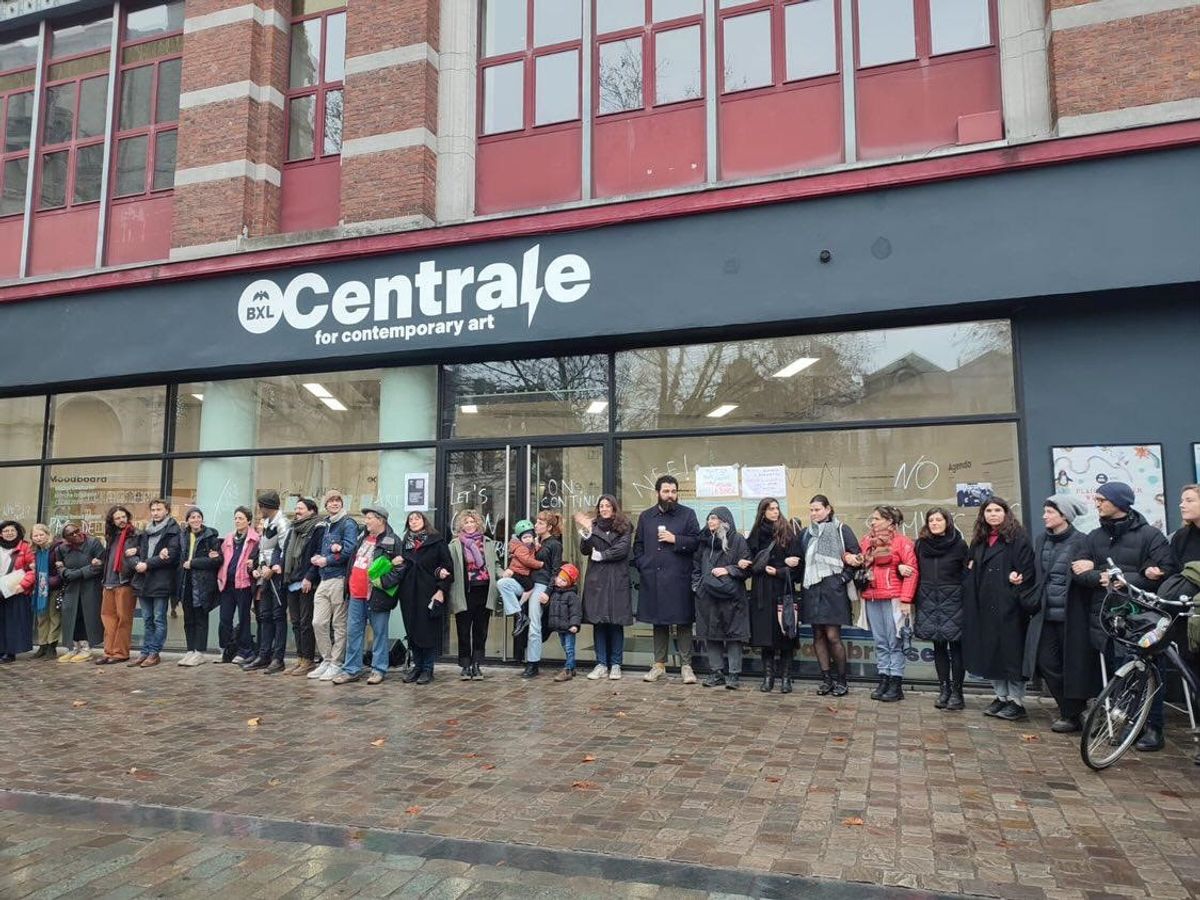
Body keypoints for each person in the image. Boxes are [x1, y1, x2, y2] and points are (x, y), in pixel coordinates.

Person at [1072, 481, 1176, 751]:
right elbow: (1079, 572)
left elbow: (1163, 572)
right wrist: (1103, 576)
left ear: (1119, 502)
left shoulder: (1150, 535)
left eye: (1101, 499)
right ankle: (1119, 722)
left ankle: (1152, 727)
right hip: (1104, 617)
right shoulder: (1093, 536)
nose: (1097, 503)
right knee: (1115, 674)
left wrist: (1126, 579)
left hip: (1141, 617)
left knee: (1147, 671)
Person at [1026, 494, 1098, 733]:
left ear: (1064, 515)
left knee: (1074, 665)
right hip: (1045, 614)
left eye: (1049, 512)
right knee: (1046, 663)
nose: (1044, 516)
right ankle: (1070, 709)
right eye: (1045, 511)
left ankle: (1071, 714)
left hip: (1072, 616)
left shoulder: (1083, 542)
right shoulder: (1040, 540)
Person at [962, 497, 1037, 721]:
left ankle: (1017, 701)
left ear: (1006, 513)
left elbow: (1027, 571)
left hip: (1010, 607)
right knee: (991, 653)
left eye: (997, 510)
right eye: (988, 510)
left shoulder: (1018, 538)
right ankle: (1001, 697)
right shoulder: (980, 540)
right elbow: (970, 568)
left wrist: (1016, 585)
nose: (992, 514)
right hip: (984, 606)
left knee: (1011, 655)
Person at [631, 475, 700, 685]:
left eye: (673, 491)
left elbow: (697, 541)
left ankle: (686, 666)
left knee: (684, 622)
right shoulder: (646, 516)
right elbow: (638, 545)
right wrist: (644, 564)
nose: (670, 496)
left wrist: (675, 539)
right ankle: (658, 665)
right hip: (654, 578)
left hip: (679, 577)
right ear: (658, 493)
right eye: (666, 491)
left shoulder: (688, 514)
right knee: (658, 623)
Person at [333, 506, 403, 685]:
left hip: (377, 595)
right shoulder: (361, 538)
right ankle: (351, 669)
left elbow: (400, 568)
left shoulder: (392, 541)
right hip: (356, 594)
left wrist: (383, 583)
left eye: (370, 518)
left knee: (379, 633)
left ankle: (378, 669)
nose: (366, 521)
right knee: (354, 632)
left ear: (381, 520)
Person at [799, 495, 858, 697]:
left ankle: (842, 680)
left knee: (833, 636)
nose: (814, 513)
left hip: (833, 589)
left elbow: (856, 556)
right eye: (811, 510)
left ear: (828, 509)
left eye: (817, 509)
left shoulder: (842, 529)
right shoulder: (806, 533)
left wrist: (842, 579)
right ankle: (826, 679)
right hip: (813, 588)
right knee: (817, 635)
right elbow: (801, 561)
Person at [858, 506, 918, 703]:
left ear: (889, 521)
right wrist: (852, 558)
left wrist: (906, 600)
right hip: (872, 595)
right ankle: (883, 678)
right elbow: (859, 562)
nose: (872, 522)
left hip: (893, 597)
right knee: (880, 641)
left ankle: (896, 682)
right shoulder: (867, 541)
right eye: (872, 518)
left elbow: (912, 572)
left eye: (877, 518)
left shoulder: (903, 543)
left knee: (895, 642)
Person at [913, 508, 970, 711]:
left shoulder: (959, 544)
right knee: (938, 646)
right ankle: (943, 689)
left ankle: (957, 692)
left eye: (939, 519)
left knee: (956, 647)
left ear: (947, 522)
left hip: (953, 599)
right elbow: (915, 571)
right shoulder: (920, 545)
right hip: (928, 598)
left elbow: (966, 573)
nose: (935, 523)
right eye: (931, 520)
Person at [746, 498, 803, 694]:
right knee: (765, 636)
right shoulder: (755, 534)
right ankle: (768, 677)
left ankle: (786, 678)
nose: (775, 512)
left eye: (777, 508)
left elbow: (798, 566)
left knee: (785, 633)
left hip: (782, 590)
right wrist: (746, 564)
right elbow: (749, 560)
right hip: (761, 590)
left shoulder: (787, 533)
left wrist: (780, 570)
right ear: (762, 512)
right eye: (770, 509)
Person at [693, 506, 752, 689]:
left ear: (724, 520)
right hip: (707, 596)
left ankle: (733, 675)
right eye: (709, 518)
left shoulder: (737, 540)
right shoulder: (703, 542)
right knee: (712, 635)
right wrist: (696, 586)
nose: (710, 522)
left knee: (733, 636)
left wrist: (728, 570)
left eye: (714, 518)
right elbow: (695, 565)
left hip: (731, 596)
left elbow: (746, 567)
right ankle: (716, 672)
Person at [577, 494, 633, 681]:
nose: (604, 509)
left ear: (614, 508)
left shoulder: (624, 527)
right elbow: (585, 550)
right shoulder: (592, 526)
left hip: (617, 579)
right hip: (598, 580)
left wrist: (602, 555)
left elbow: (623, 549)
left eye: (608, 505)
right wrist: (585, 536)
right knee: (599, 622)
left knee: (616, 623)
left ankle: (616, 664)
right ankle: (601, 663)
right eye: (601, 506)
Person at [308, 490, 359, 682]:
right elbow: (323, 549)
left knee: (339, 623)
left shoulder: (348, 523)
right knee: (318, 622)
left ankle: (336, 663)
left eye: (338, 500)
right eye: (330, 501)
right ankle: (326, 659)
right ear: (325, 505)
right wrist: (317, 559)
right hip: (324, 578)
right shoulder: (326, 524)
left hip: (338, 578)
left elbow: (349, 550)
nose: (334, 503)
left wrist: (326, 560)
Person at [396, 511, 452, 684]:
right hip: (408, 593)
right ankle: (417, 666)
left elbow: (448, 568)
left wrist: (441, 591)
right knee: (412, 629)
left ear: (424, 521)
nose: (413, 522)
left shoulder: (436, 541)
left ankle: (428, 668)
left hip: (429, 592)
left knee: (427, 631)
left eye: (417, 518)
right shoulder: (405, 543)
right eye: (410, 519)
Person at [126, 499, 181, 669]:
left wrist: (147, 564)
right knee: (147, 618)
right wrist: (136, 562)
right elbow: (132, 552)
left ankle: (154, 652)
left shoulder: (173, 530)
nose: (155, 512)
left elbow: (171, 555)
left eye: (159, 509)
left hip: (161, 581)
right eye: (153, 509)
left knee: (158, 619)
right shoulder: (146, 531)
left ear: (167, 511)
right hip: (143, 581)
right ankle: (145, 651)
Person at [275, 497, 323, 676]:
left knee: (306, 622)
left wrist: (310, 577)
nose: (297, 511)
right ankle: (300, 658)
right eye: (296, 508)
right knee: (295, 622)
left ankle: (308, 659)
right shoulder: (293, 529)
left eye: (301, 508)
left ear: (311, 510)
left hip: (306, 582)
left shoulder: (317, 528)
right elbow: (285, 551)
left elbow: (317, 554)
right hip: (291, 580)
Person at [448, 509, 497, 681]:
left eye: (472, 522)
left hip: (484, 590)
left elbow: (494, 564)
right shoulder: (454, 544)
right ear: (461, 525)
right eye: (466, 522)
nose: (469, 525)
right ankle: (465, 664)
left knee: (480, 630)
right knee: (463, 629)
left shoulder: (488, 542)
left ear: (478, 524)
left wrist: (504, 573)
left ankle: (477, 664)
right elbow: (448, 566)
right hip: (464, 591)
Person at [245, 491, 289, 673]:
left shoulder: (283, 523)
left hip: (277, 575)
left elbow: (285, 548)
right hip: (266, 573)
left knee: (278, 617)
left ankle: (278, 658)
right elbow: (263, 549)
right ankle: (264, 655)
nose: (259, 509)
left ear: (267, 506)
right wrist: (262, 565)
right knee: (265, 615)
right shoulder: (268, 522)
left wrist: (273, 567)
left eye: (261, 506)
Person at [176, 507, 222, 667]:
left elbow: (217, 560)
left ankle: (200, 652)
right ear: (187, 520)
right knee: (188, 618)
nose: (195, 520)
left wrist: (194, 563)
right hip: (185, 581)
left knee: (201, 617)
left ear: (202, 519)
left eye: (198, 517)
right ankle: (190, 650)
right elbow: (178, 556)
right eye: (192, 517)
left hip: (202, 583)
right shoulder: (182, 536)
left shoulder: (211, 537)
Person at [519, 511, 562, 678]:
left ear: (549, 527)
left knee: (535, 624)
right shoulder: (532, 542)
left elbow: (555, 570)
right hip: (527, 583)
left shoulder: (554, 544)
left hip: (541, 585)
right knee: (505, 585)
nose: (536, 525)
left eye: (540, 523)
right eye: (536, 522)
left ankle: (532, 663)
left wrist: (548, 591)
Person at [54, 523, 104, 663]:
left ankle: (86, 648)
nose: (76, 534)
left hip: (89, 586)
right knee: (71, 617)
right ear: (66, 538)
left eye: (77, 531)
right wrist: (65, 573)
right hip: (71, 588)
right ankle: (73, 647)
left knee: (86, 616)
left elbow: (101, 565)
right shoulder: (61, 549)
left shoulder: (93, 543)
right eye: (71, 534)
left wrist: (78, 573)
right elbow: (59, 566)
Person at [216, 507, 259, 666]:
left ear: (248, 520)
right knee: (225, 619)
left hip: (244, 584)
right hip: (227, 584)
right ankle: (226, 650)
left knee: (244, 618)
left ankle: (244, 651)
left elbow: (256, 559)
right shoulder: (229, 538)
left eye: (241, 518)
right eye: (236, 518)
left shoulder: (255, 539)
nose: (237, 521)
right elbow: (222, 558)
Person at [97, 506, 137, 665]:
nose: (121, 520)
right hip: (108, 581)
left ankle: (121, 652)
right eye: (117, 518)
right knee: (108, 619)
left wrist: (137, 549)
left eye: (123, 517)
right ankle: (108, 651)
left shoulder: (136, 534)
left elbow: (144, 550)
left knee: (123, 619)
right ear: (112, 521)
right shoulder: (111, 537)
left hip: (124, 581)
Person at [496, 519, 542, 638]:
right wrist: (540, 564)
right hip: (519, 573)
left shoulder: (530, 545)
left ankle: (519, 613)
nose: (528, 539)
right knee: (527, 586)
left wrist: (536, 545)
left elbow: (532, 551)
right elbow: (527, 560)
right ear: (520, 539)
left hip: (521, 574)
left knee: (526, 587)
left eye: (530, 537)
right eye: (525, 537)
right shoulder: (521, 548)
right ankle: (520, 613)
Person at [0, 521, 35, 662]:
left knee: (12, 622)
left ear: (18, 532)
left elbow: (33, 570)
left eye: (12, 531)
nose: (9, 533)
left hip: (15, 589)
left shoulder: (26, 547)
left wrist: (23, 585)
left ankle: (10, 652)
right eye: (6, 531)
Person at [29, 525, 62, 659]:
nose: (39, 538)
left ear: (48, 535)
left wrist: (51, 581)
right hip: (40, 589)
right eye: (35, 536)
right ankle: (42, 645)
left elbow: (61, 569)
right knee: (41, 617)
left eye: (41, 535)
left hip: (53, 587)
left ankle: (51, 646)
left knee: (54, 617)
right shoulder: (36, 552)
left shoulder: (56, 549)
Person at [548, 563, 582, 682]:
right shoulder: (555, 592)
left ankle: (568, 669)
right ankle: (572, 668)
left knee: (569, 648)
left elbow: (575, 612)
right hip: (560, 627)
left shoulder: (571, 595)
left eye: (564, 580)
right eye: (559, 578)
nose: (560, 582)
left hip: (568, 627)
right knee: (565, 646)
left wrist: (574, 625)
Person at [1171, 484, 1200, 566]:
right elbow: (1172, 569)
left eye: (1189, 501)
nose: (1181, 505)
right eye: (1182, 501)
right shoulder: (1180, 537)